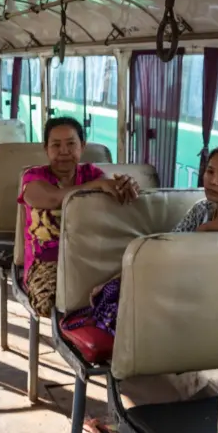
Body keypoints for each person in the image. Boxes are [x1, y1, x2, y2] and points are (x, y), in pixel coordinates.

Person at [18, 117, 140, 318]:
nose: (64, 151)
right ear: (46, 149)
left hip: (91, 256)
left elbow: (111, 195)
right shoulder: (34, 177)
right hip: (47, 262)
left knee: (126, 296)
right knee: (52, 302)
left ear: (82, 146)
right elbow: (51, 198)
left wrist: (126, 187)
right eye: (56, 145)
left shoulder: (93, 174)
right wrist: (94, 187)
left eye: (71, 144)